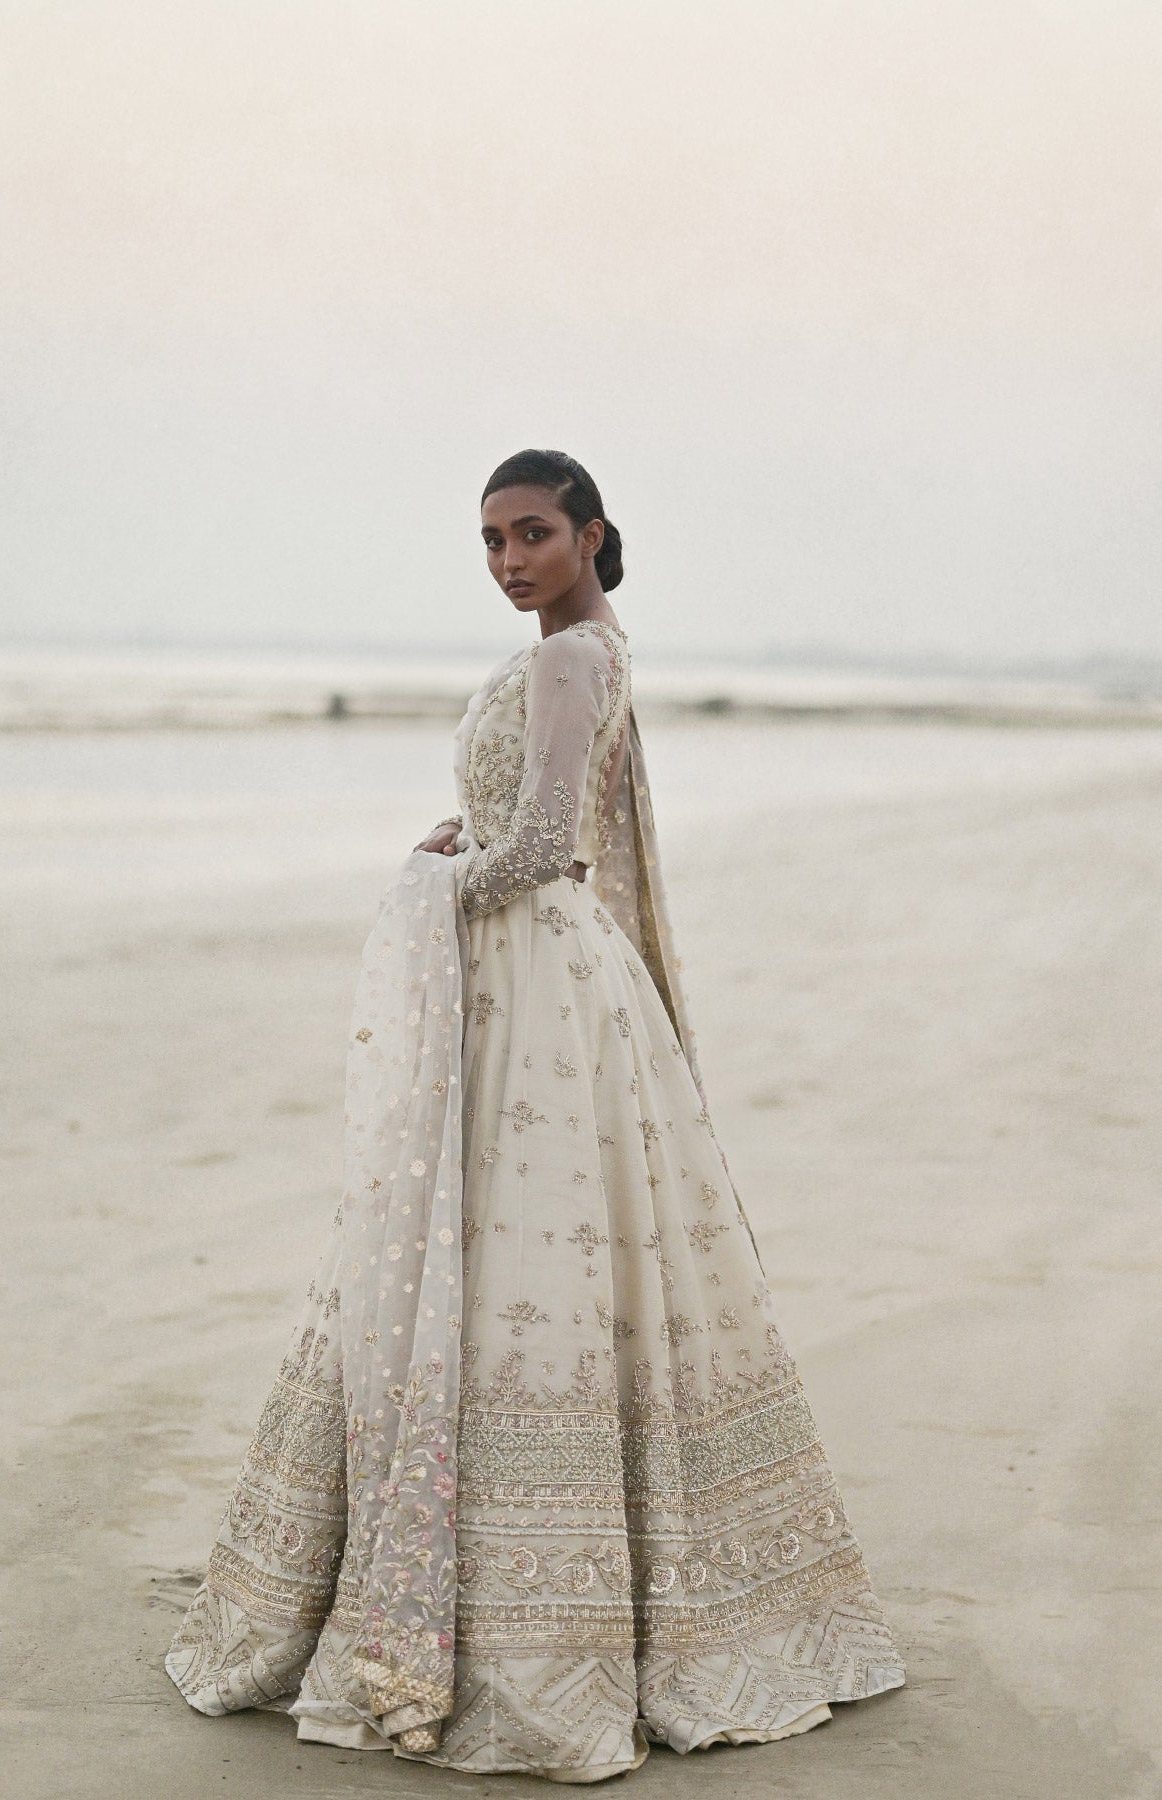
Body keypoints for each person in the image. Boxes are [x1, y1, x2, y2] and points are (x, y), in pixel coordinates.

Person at [165, 448, 906, 1779]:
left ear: (591, 535)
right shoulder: (599, 647)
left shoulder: (569, 657)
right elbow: (535, 818)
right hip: (561, 973)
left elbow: (550, 838)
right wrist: (469, 828)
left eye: (532, 535)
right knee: (550, 1266)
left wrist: (426, 877)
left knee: (499, 1260)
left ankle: (528, 1627)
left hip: (535, 980)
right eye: (492, 540)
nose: (510, 560)